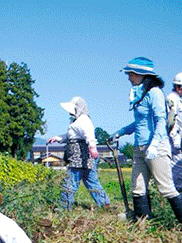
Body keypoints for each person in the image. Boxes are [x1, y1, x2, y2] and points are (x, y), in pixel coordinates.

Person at [110, 57, 182, 222]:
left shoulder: (155, 93)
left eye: (131, 74)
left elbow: (161, 120)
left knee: (166, 188)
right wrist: (121, 132)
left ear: (141, 74)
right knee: (138, 188)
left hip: (155, 147)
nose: (129, 77)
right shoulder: (140, 94)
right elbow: (140, 122)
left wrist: (155, 144)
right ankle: (144, 225)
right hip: (140, 147)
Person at [46, 96, 111, 209]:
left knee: (71, 180)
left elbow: (89, 134)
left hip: (80, 156)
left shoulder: (83, 120)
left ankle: (64, 207)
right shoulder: (77, 121)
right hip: (82, 156)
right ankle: (104, 203)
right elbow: (71, 136)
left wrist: (92, 147)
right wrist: (58, 138)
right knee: (91, 180)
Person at [167, 73, 182, 191]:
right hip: (176, 141)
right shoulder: (172, 99)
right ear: (178, 87)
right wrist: (175, 141)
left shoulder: (178, 99)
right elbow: (170, 122)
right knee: (176, 170)